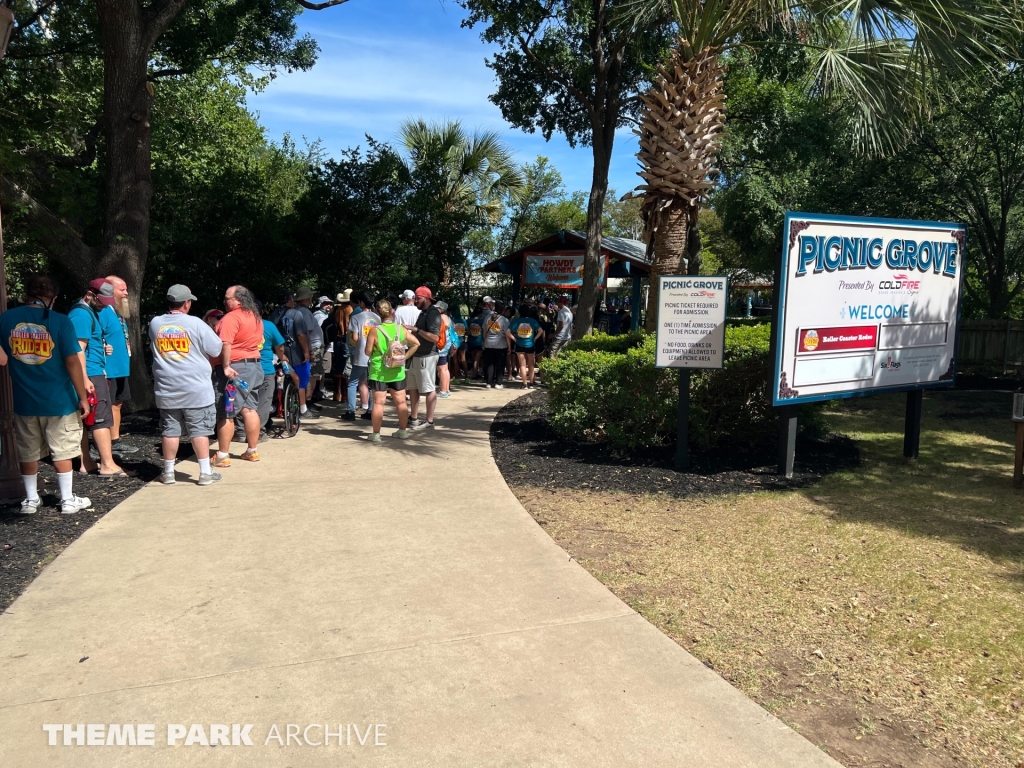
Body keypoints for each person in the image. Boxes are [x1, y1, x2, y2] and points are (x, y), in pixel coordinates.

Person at [0, 275, 92, 514]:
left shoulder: (6, 319)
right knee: (63, 449)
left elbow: (2, 358)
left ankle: (30, 500)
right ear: (54, 298)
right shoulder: (60, 321)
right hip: (59, 401)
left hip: (24, 400)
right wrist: (82, 397)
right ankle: (68, 500)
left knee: (28, 450)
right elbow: (72, 361)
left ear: (27, 295)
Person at [150, 285, 226, 486]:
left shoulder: (155, 323)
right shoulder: (196, 324)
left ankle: (167, 472)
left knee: (170, 430)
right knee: (199, 430)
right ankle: (205, 472)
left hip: (166, 388)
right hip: (196, 388)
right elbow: (216, 348)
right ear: (186, 303)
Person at [68, 279, 128, 478]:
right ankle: (107, 464)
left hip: (92, 369)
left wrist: (102, 348)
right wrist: (84, 378)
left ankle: (87, 461)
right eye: (101, 300)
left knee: (87, 418)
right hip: (91, 373)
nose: (104, 304)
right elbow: (78, 350)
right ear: (89, 294)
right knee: (101, 419)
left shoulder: (89, 312)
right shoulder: (81, 314)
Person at [212, 285, 264, 466]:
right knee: (250, 409)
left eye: (228, 298)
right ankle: (252, 451)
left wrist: (225, 366)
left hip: (235, 369)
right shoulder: (255, 317)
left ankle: (223, 455)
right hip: (254, 367)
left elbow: (225, 344)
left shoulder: (231, 318)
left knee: (227, 411)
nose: (224, 301)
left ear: (239, 300)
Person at [364, 299, 420, 442]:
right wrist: (404, 357)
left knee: (378, 403)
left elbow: (367, 352)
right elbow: (416, 343)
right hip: (397, 370)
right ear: (392, 312)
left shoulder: (375, 330)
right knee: (401, 402)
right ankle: (403, 431)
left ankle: (376, 434)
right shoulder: (400, 329)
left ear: (377, 312)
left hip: (379, 372)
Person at [99, 275, 137, 457]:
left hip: (121, 367)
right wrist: (102, 345)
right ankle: (102, 444)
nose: (126, 293)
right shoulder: (102, 311)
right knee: (105, 406)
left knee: (117, 403)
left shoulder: (117, 311)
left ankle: (115, 441)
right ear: (110, 290)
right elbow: (93, 335)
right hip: (108, 368)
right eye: (122, 289)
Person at [268, 291, 316, 420]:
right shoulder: (296, 314)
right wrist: (306, 351)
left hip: (278, 353)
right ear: (290, 300)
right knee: (300, 381)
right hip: (296, 353)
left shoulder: (273, 315)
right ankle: (303, 409)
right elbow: (301, 335)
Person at [403, 286, 442, 429]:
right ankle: (413, 418)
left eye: (417, 298)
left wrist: (416, 330)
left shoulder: (433, 313)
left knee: (429, 388)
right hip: (416, 356)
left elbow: (434, 337)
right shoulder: (423, 312)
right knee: (413, 388)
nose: (415, 300)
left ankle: (429, 421)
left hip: (427, 356)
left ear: (425, 298)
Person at [343, 291, 379, 422]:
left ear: (361, 302)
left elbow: (355, 337)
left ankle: (351, 411)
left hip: (361, 354)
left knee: (352, 383)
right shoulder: (377, 318)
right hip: (374, 354)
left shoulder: (356, 317)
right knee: (371, 383)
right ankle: (370, 410)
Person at [294, 287, 325, 409]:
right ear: (307, 298)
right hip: (313, 347)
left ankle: (307, 399)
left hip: (310, 346)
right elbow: (306, 332)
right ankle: (308, 400)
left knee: (311, 374)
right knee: (312, 375)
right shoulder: (305, 312)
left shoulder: (298, 310)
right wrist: (310, 351)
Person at [509, 303, 543, 389]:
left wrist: (514, 339)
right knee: (531, 364)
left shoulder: (516, 321)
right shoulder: (533, 321)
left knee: (522, 365)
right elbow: (541, 331)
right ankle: (531, 383)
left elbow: (507, 332)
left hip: (519, 344)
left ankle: (524, 384)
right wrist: (534, 338)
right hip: (530, 344)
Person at [481, 299, 510, 388]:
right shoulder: (504, 320)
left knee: (490, 364)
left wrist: (486, 340)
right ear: (503, 310)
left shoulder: (487, 318)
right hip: (501, 345)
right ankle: (498, 383)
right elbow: (507, 334)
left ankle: (489, 382)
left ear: (494, 308)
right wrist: (509, 346)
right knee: (500, 364)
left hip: (488, 344)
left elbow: (484, 331)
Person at [436, 301, 453, 399]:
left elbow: (442, 328)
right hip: (446, 345)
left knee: (441, 369)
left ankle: (443, 391)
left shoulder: (442, 318)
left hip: (441, 346)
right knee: (445, 369)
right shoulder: (447, 317)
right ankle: (446, 389)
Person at [466, 304, 485, 379]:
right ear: (480, 314)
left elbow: (467, 331)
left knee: (474, 358)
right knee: (477, 359)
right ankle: (474, 374)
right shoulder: (482, 321)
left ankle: (475, 373)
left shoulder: (469, 321)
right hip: (479, 341)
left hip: (471, 341)